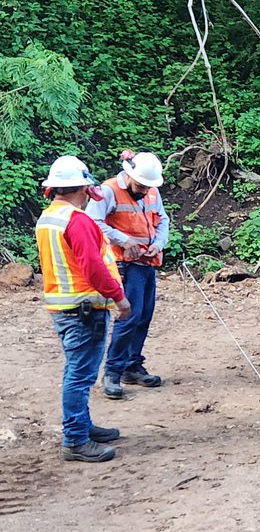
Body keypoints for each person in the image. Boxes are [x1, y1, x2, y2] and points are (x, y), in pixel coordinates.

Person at [36, 156, 132, 463]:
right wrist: (119, 297)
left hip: (65, 306)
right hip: (84, 307)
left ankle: (82, 427)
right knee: (80, 375)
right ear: (81, 188)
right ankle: (76, 439)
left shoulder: (49, 217)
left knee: (77, 371)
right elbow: (92, 266)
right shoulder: (77, 221)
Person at [87, 149, 169, 400]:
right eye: (141, 185)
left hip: (148, 262)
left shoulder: (152, 190)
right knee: (129, 317)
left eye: (148, 186)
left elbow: (163, 219)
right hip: (125, 264)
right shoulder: (109, 190)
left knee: (143, 317)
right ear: (129, 175)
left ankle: (132, 366)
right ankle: (113, 371)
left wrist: (159, 243)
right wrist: (123, 240)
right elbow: (93, 220)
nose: (145, 191)